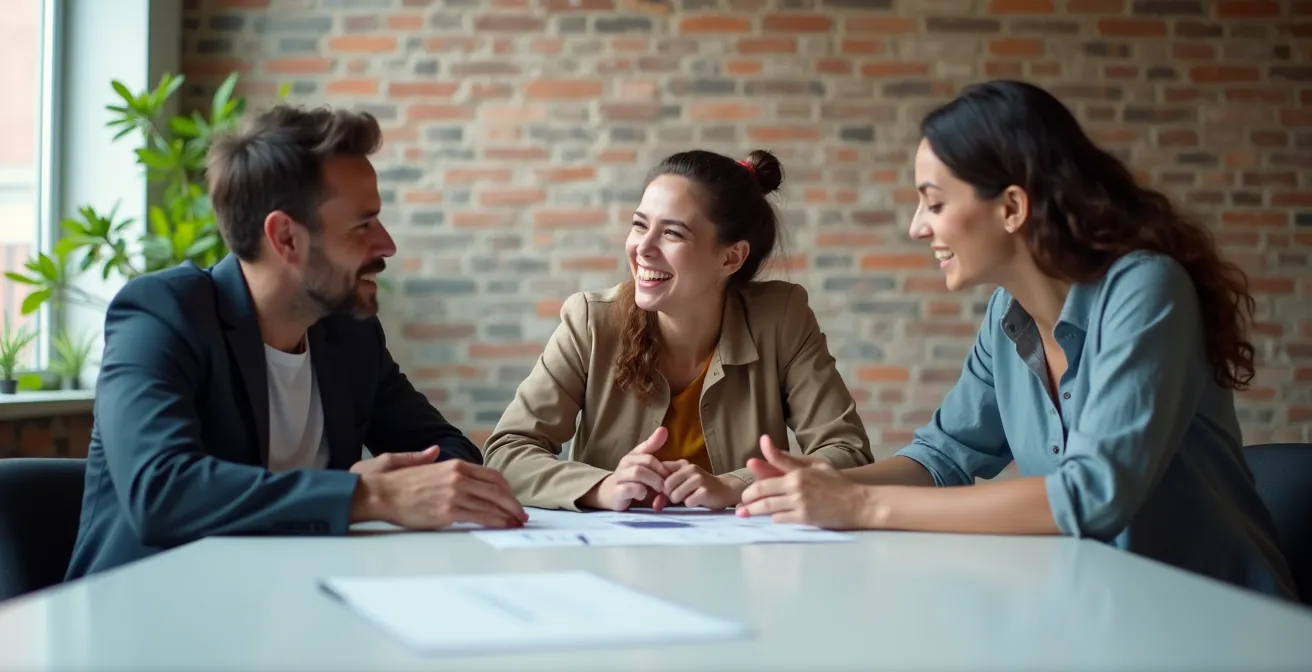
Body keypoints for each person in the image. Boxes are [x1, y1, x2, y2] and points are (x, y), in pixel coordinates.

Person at [737, 80, 1298, 601]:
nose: (917, 226)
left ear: (1011, 207)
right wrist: (805, 485)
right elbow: (941, 457)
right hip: (1099, 606)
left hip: (1215, 618)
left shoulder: (1147, 288)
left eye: (934, 202)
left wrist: (858, 504)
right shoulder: (1008, 315)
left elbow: (1093, 492)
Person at [65, 104, 526, 580]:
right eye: (362, 225)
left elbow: (448, 450)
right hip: (147, 615)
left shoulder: (349, 334)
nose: (387, 244)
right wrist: (366, 495)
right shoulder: (164, 313)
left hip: (293, 606)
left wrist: (424, 484)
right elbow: (161, 492)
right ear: (286, 237)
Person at [483, 149, 873, 512]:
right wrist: (601, 486)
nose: (643, 248)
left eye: (672, 233)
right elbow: (507, 452)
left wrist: (735, 486)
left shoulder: (781, 318)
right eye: (639, 226)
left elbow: (846, 451)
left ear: (731, 257)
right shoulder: (590, 321)